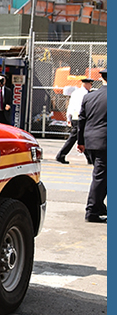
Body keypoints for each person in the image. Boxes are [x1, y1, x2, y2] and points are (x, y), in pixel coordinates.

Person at [77, 69, 107, 223]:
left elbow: (81, 121)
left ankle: (99, 207)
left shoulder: (89, 97)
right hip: (105, 143)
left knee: (102, 176)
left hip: (91, 142)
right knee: (101, 177)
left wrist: (80, 141)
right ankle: (92, 211)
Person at [56, 76, 93, 163]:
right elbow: (84, 107)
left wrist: (69, 118)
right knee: (79, 136)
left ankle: (89, 158)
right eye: (90, 84)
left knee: (79, 136)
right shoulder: (86, 94)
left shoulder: (75, 93)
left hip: (75, 116)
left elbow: (70, 106)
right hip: (81, 116)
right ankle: (61, 155)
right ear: (87, 84)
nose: (91, 86)